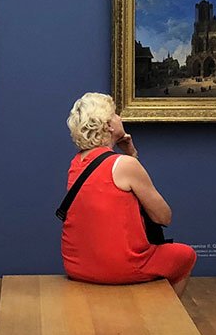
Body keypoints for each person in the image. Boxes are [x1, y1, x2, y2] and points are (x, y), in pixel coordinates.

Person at [61, 91, 197, 297]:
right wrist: (132, 157)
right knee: (185, 255)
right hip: (119, 267)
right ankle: (162, 313)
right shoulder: (125, 164)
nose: (120, 118)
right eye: (115, 114)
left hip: (76, 265)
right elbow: (163, 217)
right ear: (108, 125)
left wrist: (130, 154)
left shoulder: (77, 163)